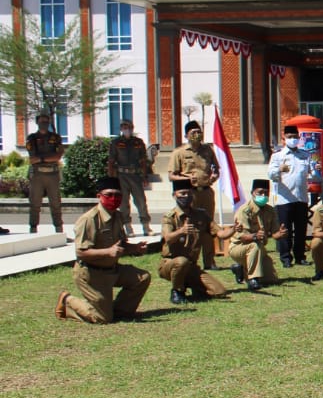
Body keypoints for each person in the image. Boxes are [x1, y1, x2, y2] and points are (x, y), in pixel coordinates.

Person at [55, 177, 151, 324]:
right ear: (99, 196)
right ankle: (68, 301)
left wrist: (135, 248)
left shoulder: (117, 216)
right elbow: (80, 252)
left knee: (142, 278)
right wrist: (107, 252)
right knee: (101, 319)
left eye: (118, 195)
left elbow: (120, 245)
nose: (114, 199)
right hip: (91, 273)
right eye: (109, 195)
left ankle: (120, 312)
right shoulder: (89, 219)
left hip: (112, 270)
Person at [159, 178, 235, 305]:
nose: (186, 196)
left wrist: (234, 229)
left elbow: (220, 233)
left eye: (188, 193)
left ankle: (193, 285)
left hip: (191, 266)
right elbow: (167, 238)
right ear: (174, 195)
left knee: (219, 291)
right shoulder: (170, 217)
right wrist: (181, 231)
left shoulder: (201, 215)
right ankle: (177, 291)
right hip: (171, 264)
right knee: (181, 262)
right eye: (182, 193)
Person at [168, 120, 220, 269]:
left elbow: (216, 168)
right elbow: (172, 176)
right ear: (186, 135)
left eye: (199, 132)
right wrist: (186, 179)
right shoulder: (179, 152)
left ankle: (209, 261)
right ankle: (190, 258)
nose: (197, 135)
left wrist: (214, 175)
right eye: (193, 133)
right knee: (191, 226)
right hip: (189, 194)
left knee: (209, 226)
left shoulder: (208, 150)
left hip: (206, 192)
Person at [228, 179, 287, 291]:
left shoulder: (270, 210)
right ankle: (252, 279)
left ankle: (240, 269)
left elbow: (275, 234)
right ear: (252, 193)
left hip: (259, 250)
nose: (263, 195)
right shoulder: (244, 211)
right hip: (239, 247)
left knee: (271, 280)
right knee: (254, 245)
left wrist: (281, 234)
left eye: (266, 193)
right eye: (260, 192)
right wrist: (255, 236)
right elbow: (243, 236)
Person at [267, 124, 312, 268]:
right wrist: (279, 170)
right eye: (289, 137)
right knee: (284, 230)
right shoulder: (278, 156)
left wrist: (315, 170)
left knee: (300, 229)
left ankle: (300, 256)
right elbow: (271, 175)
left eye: (295, 137)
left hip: (301, 197)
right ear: (284, 138)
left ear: (299, 138)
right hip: (284, 199)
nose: (292, 139)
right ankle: (286, 257)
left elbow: (310, 173)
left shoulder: (304, 155)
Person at [106, 118, 152, 236]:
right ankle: (128, 228)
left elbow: (143, 161)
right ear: (121, 129)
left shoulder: (138, 142)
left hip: (135, 175)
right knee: (123, 203)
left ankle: (146, 227)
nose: (126, 129)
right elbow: (111, 161)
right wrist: (111, 179)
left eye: (128, 127)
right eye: (124, 127)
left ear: (132, 128)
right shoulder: (115, 143)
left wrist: (145, 177)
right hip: (121, 176)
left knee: (141, 201)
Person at [24, 111, 64, 234]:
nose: (44, 124)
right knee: (35, 203)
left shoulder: (55, 137)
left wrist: (42, 158)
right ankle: (33, 229)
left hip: (52, 174)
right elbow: (33, 158)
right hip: (38, 174)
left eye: (46, 122)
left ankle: (59, 230)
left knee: (56, 203)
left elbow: (58, 156)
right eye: (42, 122)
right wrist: (48, 157)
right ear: (37, 122)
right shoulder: (32, 138)